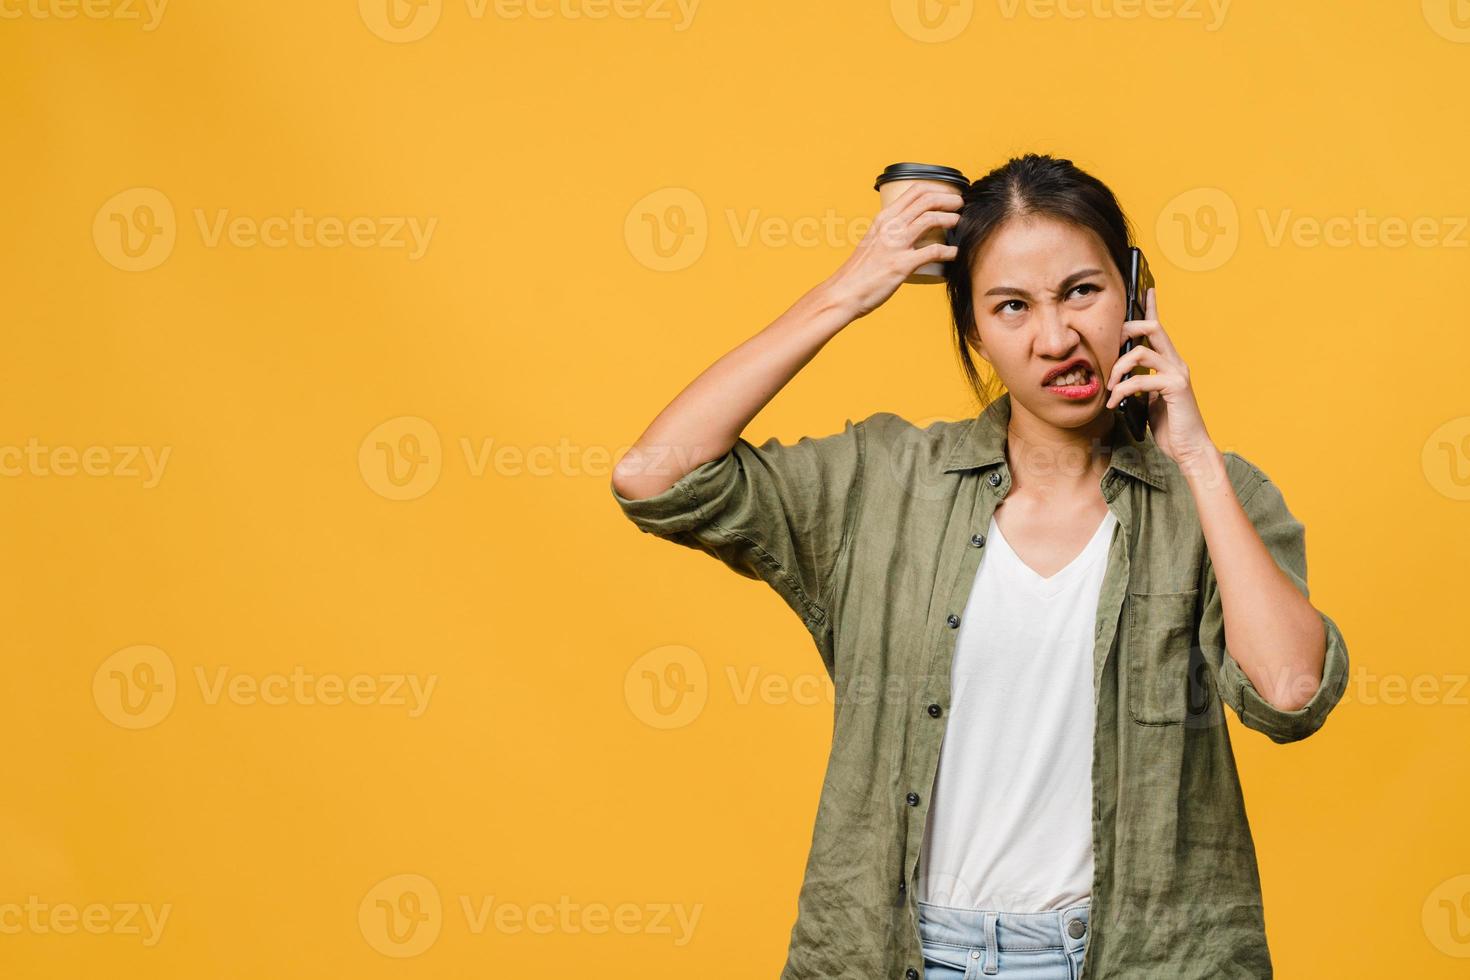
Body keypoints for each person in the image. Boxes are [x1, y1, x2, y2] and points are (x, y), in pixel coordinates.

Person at [609, 153, 1350, 979]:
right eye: (1011, 307)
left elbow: (1288, 692)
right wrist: (849, 291)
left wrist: (1196, 456)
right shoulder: (884, 484)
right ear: (974, 331)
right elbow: (655, 476)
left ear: (1138, 296)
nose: (1056, 337)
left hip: (1140, 960)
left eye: (1082, 291)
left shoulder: (1215, 495)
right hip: (908, 956)